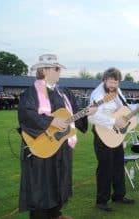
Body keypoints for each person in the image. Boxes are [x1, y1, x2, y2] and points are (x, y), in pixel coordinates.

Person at [18, 54, 97, 219]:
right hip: (42, 147)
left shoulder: (64, 92)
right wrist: (51, 120)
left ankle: (56, 214)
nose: (59, 71)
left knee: (59, 181)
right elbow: (26, 115)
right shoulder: (31, 93)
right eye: (56, 68)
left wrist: (86, 112)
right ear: (45, 70)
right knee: (41, 186)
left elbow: (73, 115)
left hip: (61, 145)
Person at [88, 67, 139, 212]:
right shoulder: (97, 94)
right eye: (111, 82)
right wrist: (113, 122)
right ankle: (101, 200)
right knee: (105, 167)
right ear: (104, 80)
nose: (113, 86)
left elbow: (125, 108)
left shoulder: (117, 91)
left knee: (118, 164)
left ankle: (119, 195)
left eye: (116, 83)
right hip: (102, 133)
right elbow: (92, 116)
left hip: (116, 134)